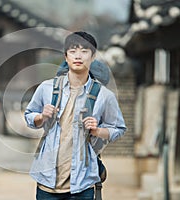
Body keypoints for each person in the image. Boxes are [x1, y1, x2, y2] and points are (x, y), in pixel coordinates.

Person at [24, 31, 126, 199]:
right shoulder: (46, 88)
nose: (78, 56)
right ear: (66, 56)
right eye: (73, 50)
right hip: (47, 182)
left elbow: (119, 128)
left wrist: (98, 131)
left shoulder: (104, 95)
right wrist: (41, 117)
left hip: (83, 183)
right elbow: (29, 116)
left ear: (93, 56)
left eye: (84, 51)